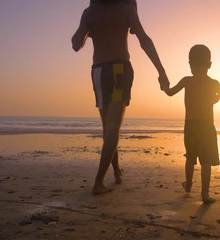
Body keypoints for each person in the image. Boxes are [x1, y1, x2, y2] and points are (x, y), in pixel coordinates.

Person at [71, 0, 169, 195]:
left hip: (99, 71)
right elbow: (144, 39)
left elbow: (75, 44)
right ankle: (98, 182)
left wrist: (88, 28)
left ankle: (116, 172)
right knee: (113, 127)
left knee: (108, 128)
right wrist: (161, 71)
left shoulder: (89, 12)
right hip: (119, 70)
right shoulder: (126, 8)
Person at [165, 44, 220, 203]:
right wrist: (215, 99)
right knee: (206, 162)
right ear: (210, 64)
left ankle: (189, 184)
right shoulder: (214, 83)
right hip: (207, 126)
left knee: (190, 158)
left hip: (190, 126)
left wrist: (163, 85)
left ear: (190, 64)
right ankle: (205, 194)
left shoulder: (187, 81)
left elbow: (170, 92)